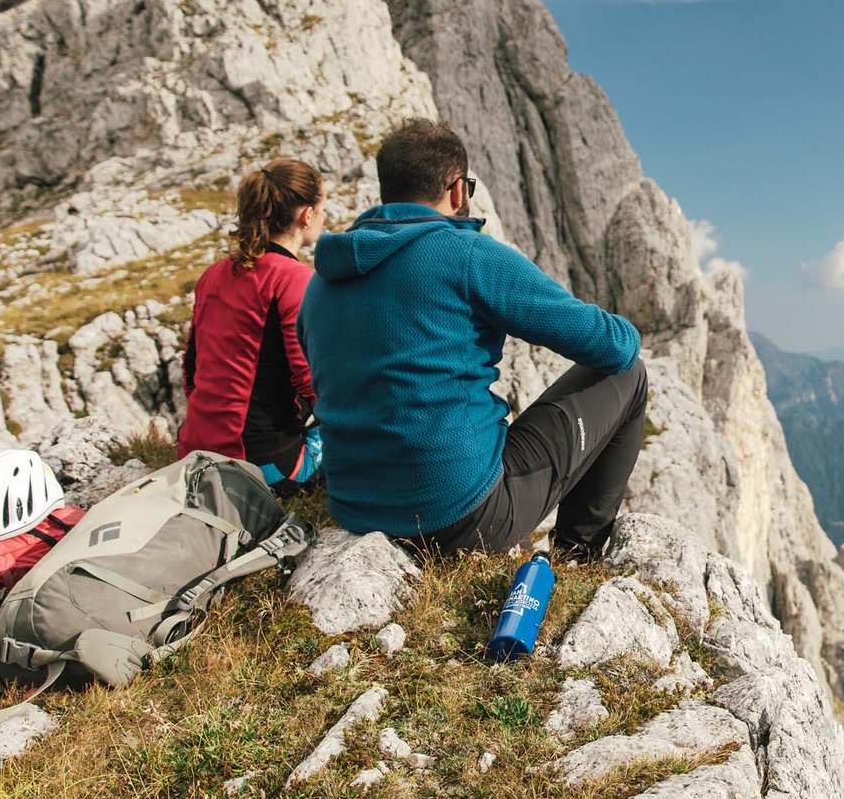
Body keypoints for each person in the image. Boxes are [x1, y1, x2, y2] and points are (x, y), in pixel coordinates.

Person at [298, 118, 647, 558]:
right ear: (458, 190)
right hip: (461, 517)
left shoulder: (318, 286)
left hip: (355, 509)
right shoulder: (466, 255)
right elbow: (613, 346)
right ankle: (577, 555)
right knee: (630, 374)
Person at [178, 157, 328, 497]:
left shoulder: (214, 274)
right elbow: (311, 381)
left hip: (193, 453)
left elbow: (191, 369)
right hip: (259, 466)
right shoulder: (295, 279)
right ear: (306, 215)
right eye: (322, 207)